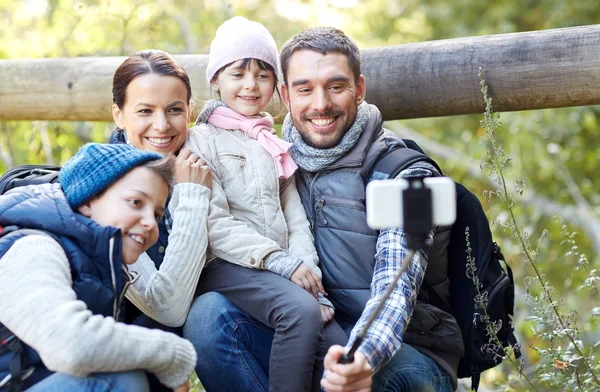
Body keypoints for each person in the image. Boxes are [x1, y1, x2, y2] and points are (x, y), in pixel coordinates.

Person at [188, 26, 465, 392]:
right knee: (209, 319)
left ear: (359, 89)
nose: (320, 104)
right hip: (315, 327)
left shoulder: (406, 173)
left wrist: (362, 356)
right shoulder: (273, 155)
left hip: (401, 349)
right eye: (305, 89)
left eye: (336, 86)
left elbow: (397, 285)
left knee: (381, 374)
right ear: (285, 96)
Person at [183, 16, 347, 392]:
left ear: (275, 85)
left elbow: (295, 217)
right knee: (298, 311)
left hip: (279, 269)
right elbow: (213, 222)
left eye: (262, 75)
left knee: (337, 346)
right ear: (215, 81)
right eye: (237, 74)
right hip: (228, 264)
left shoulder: (270, 142)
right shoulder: (201, 140)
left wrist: (309, 274)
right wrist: (279, 262)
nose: (250, 85)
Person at [0, 143, 196, 392]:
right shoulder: (35, 248)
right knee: (119, 380)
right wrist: (173, 354)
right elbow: (70, 346)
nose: (149, 223)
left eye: (157, 215)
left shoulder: (97, 265)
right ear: (88, 199)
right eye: (136, 202)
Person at [108, 49, 212, 391]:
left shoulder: (200, 162)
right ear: (119, 116)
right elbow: (168, 309)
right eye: (144, 111)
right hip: (114, 351)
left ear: (189, 112)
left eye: (174, 110)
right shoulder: (106, 193)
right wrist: (192, 195)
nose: (162, 125)